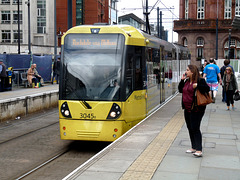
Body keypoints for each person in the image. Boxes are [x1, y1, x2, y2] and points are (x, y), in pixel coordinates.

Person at [178, 65, 210, 157]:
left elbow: (207, 89)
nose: (186, 71)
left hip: (196, 109)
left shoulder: (200, 81)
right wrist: (182, 80)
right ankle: (194, 147)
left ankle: (199, 150)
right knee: (190, 128)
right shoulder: (187, 81)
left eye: (187, 70)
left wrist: (198, 86)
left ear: (192, 72)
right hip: (187, 108)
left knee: (195, 128)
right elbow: (180, 90)